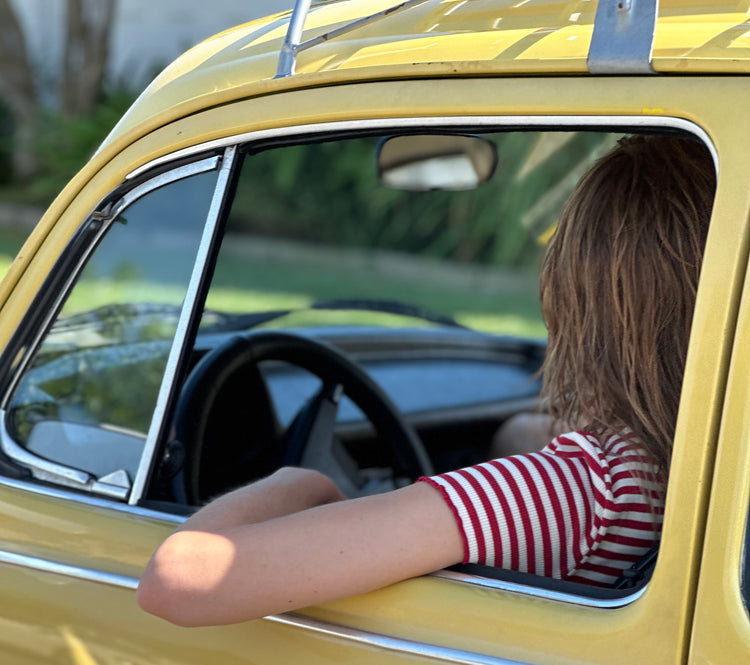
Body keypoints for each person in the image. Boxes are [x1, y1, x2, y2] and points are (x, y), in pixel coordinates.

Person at [137, 134, 716, 627]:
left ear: (577, 306)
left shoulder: (583, 493)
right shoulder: (697, 462)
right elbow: (528, 437)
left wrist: (304, 482)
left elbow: (179, 577)